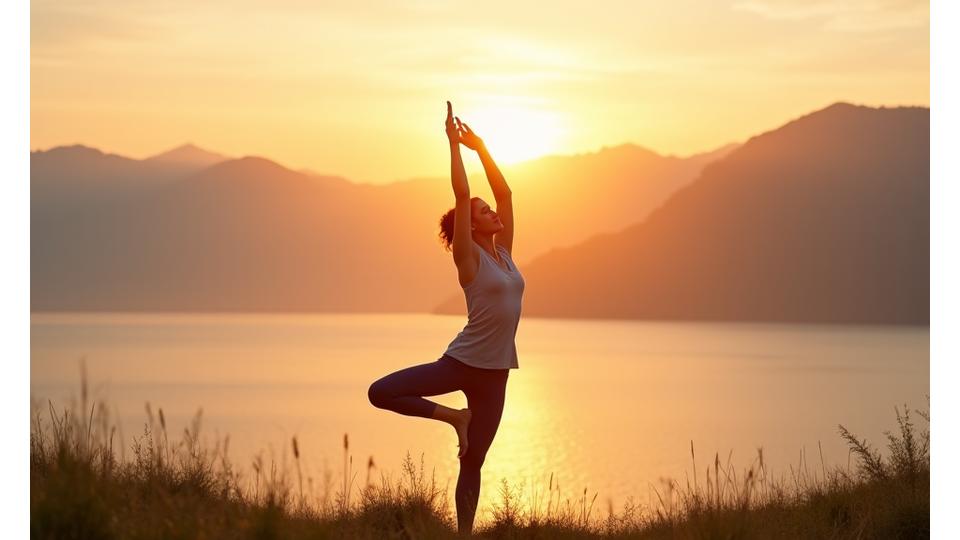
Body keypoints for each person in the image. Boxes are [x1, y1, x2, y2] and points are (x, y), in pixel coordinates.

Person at [367, 100, 525, 535]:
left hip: (496, 374)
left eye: (488, 209)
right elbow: (459, 195)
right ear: (470, 229)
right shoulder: (469, 258)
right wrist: (454, 146)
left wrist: (482, 147)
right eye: (482, 211)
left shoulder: (505, 253)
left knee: (473, 462)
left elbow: (508, 194)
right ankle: (453, 417)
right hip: (460, 363)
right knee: (380, 392)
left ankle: (463, 536)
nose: (492, 210)